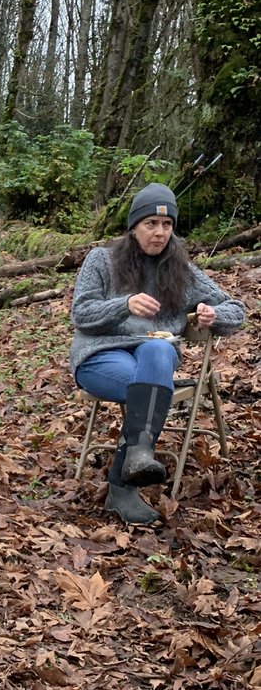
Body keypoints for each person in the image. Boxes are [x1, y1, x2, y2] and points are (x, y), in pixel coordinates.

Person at [70, 182, 244, 525]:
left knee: (159, 349)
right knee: (152, 386)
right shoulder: (102, 261)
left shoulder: (182, 271)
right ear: (134, 227)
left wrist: (215, 315)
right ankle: (128, 475)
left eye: (167, 225)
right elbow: (82, 313)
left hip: (153, 360)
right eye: (151, 224)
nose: (160, 232)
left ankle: (132, 467)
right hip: (101, 355)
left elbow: (236, 309)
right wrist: (124, 304)